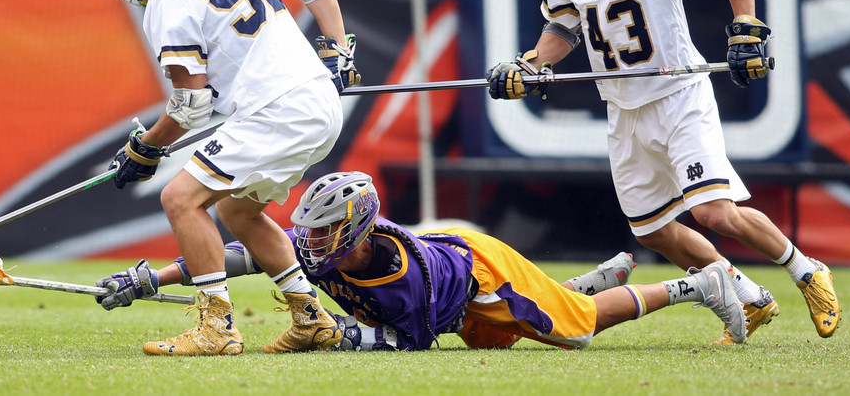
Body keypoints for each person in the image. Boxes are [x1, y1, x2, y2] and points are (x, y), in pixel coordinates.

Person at [484, 0, 840, 344]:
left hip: (678, 96)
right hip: (623, 107)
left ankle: (808, 272)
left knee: (713, 213)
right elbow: (563, 28)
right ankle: (751, 297)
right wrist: (530, 64)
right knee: (652, 231)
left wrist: (745, 32)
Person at [91, 0, 360, 356]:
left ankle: (216, 326)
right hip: (318, 102)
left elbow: (191, 105)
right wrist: (340, 49)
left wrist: (145, 148)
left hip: (279, 110)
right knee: (238, 211)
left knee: (179, 199)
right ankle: (311, 319)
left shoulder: (165, 2)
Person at [96, 172, 747, 350]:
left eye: (325, 235)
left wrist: (343, 335)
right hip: (459, 292)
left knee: (574, 331)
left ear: (356, 230)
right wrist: (153, 274)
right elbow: (238, 256)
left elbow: (402, 340)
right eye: (310, 235)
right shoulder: (336, 247)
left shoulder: (399, 279)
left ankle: (700, 283)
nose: (311, 246)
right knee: (496, 342)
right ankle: (571, 285)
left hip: (479, 274)